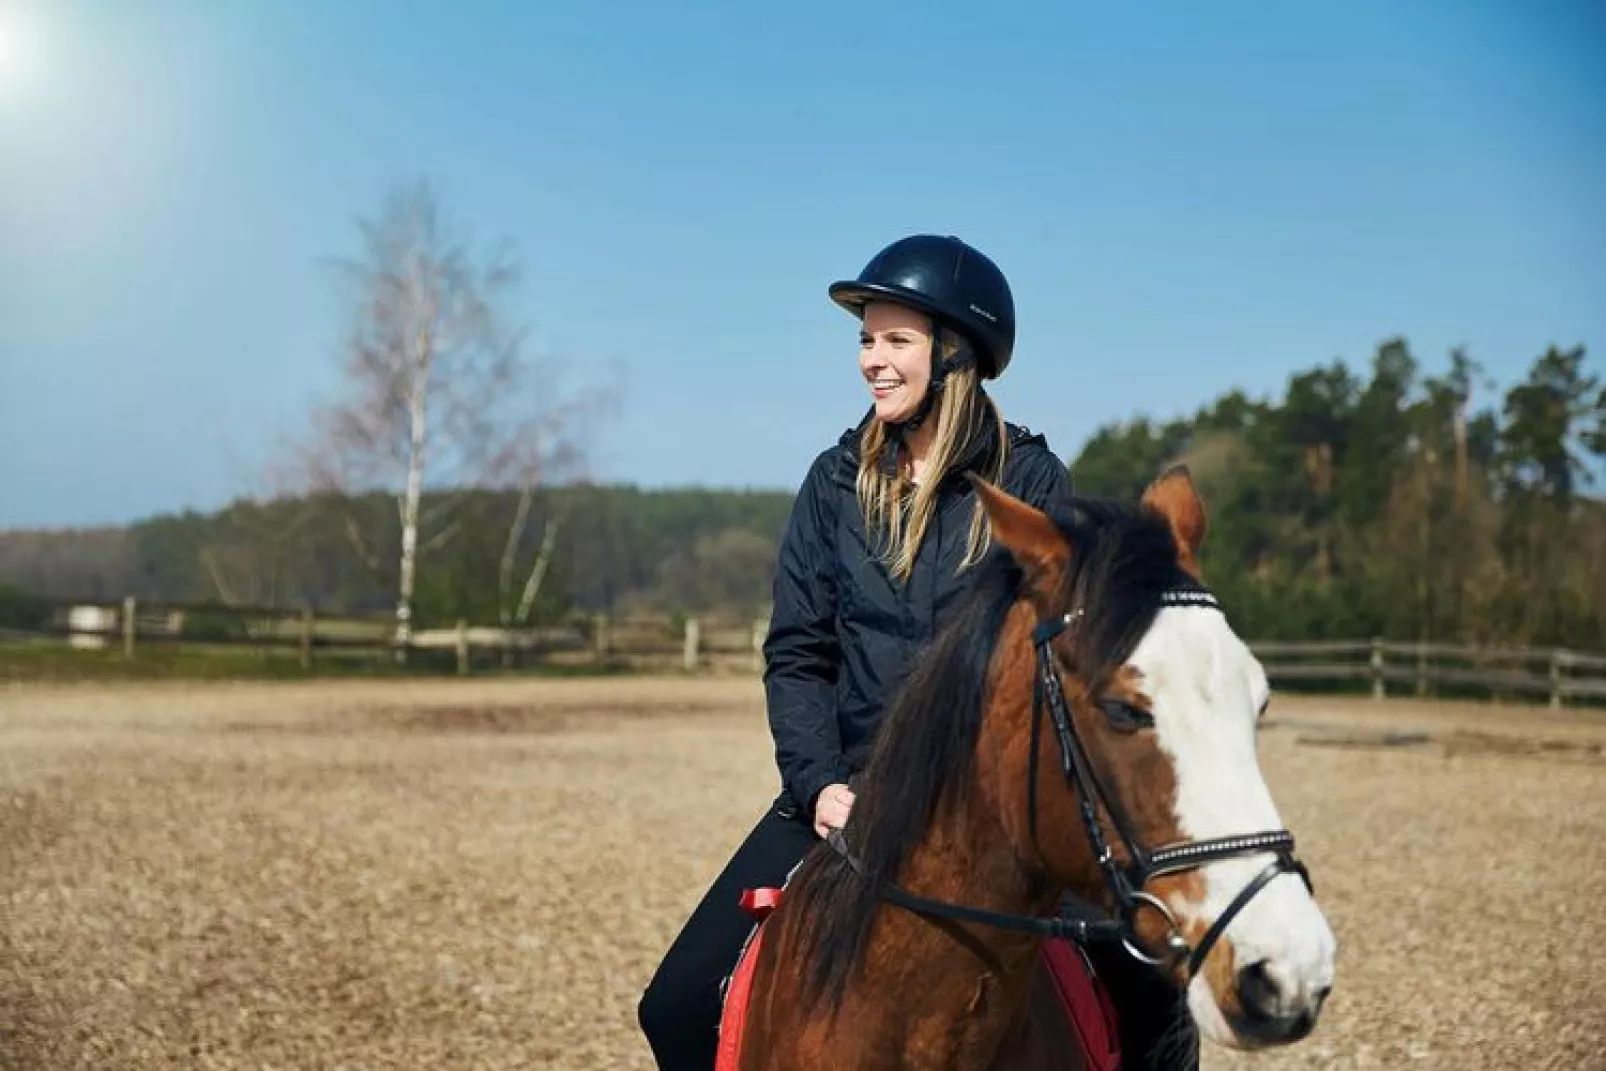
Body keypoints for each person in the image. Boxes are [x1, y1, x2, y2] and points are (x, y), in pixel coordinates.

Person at [636, 234, 1195, 1070]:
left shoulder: (1034, 485)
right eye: (866, 338)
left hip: (993, 816)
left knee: (1156, 996)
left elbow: (1049, 661)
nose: (871, 360)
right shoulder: (831, 484)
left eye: (895, 340)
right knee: (674, 1005)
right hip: (844, 793)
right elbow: (797, 651)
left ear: (956, 354)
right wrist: (819, 783)